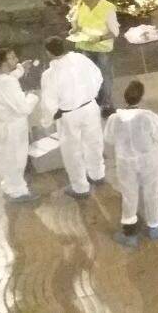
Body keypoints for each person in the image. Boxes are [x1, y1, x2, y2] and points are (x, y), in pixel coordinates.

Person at [103, 80, 158, 248]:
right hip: (150, 161)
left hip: (125, 162)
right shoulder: (148, 116)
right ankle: (155, 224)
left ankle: (129, 230)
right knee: (152, 192)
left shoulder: (114, 119)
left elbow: (109, 139)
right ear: (141, 97)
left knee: (128, 193)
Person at [38, 36, 105, 199]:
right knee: (94, 142)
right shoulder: (81, 59)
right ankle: (97, 174)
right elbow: (98, 76)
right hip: (90, 107)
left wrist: (47, 120)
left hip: (69, 115)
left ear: (48, 53)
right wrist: (92, 95)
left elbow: (49, 103)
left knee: (72, 151)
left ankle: (80, 187)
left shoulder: (49, 75)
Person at [0, 48, 39, 204]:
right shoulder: (8, 84)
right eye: (12, 58)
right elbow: (23, 108)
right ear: (4, 63)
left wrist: (21, 69)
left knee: (5, 156)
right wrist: (32, 97)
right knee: (17, 158)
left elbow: (5, 78)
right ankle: (18, 191)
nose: (16, 59)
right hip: (13, 127)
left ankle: (8, 185)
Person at [67, 0, 119, 112]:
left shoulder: (108, 8)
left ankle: (106, 103)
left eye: (87, 1)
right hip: (86, 46)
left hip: (102, 49)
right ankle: (94, 98)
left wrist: (99, 38)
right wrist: (74, 30)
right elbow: (77, 24)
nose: (85, 3)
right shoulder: (81, 5)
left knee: (105, 76)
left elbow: (115, 32)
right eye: (83, 1)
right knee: (89, 75)